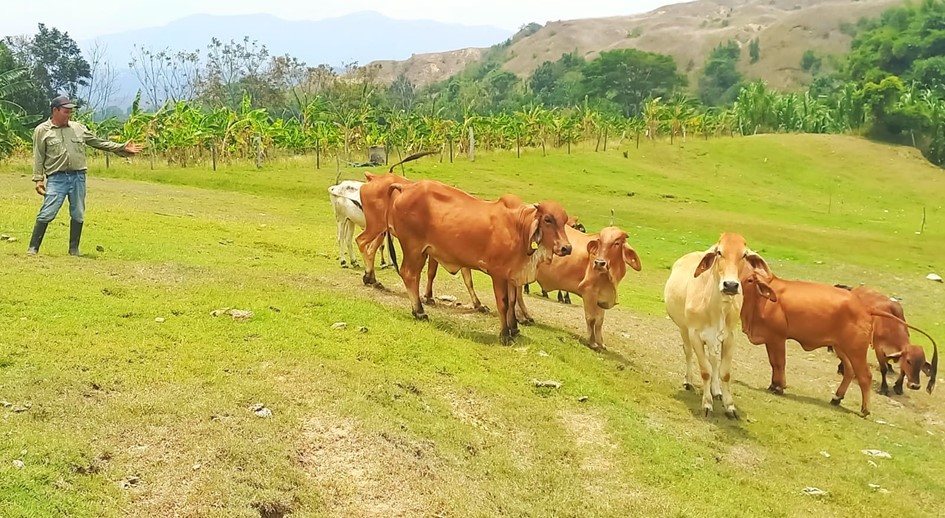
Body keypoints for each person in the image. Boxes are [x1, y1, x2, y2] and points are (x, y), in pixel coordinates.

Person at [28, 95, 143, 256]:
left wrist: (122, 147)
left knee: (78, 212)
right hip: (56, 177)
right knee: (48, 211)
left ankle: (74, 249)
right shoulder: (42, 130)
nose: (69, 115)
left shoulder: (78, 128)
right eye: (66, 111)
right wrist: (38, 179)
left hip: (78, 177)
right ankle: (33, 248)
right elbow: (39, 156)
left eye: (70, 112)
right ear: (55, 110)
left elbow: (98, 142)